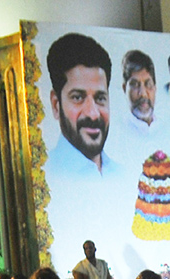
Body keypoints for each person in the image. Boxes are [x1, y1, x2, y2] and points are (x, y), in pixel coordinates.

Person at [45, 32, 117, 178]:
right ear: (55, 105)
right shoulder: (47, 176)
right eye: (78, 97)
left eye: (100, 98)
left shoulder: (123, 175)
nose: (93, 114)